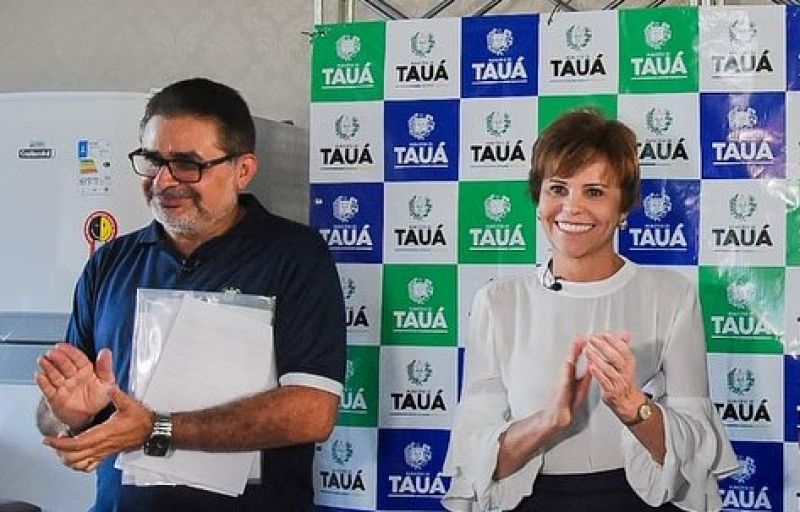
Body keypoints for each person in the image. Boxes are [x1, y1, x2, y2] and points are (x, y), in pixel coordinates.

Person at [34, 78, 345, 512]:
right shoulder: (111, 262)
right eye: (152, 160)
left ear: (243, 170)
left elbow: (311, 412)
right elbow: (53, 414)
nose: (163, 181)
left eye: (186, 164)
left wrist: (158, 428)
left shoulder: (295, 255)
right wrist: (69, 413)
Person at [442, 110, 738, 512]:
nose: (571, 207)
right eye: (558, 188)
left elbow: (696, 451)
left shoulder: (671, 295)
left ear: (624, 208)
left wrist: (635, 408)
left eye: (594, 192)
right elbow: (478, 465)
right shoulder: (497, 303)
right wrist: (548, 421)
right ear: (539, 198)